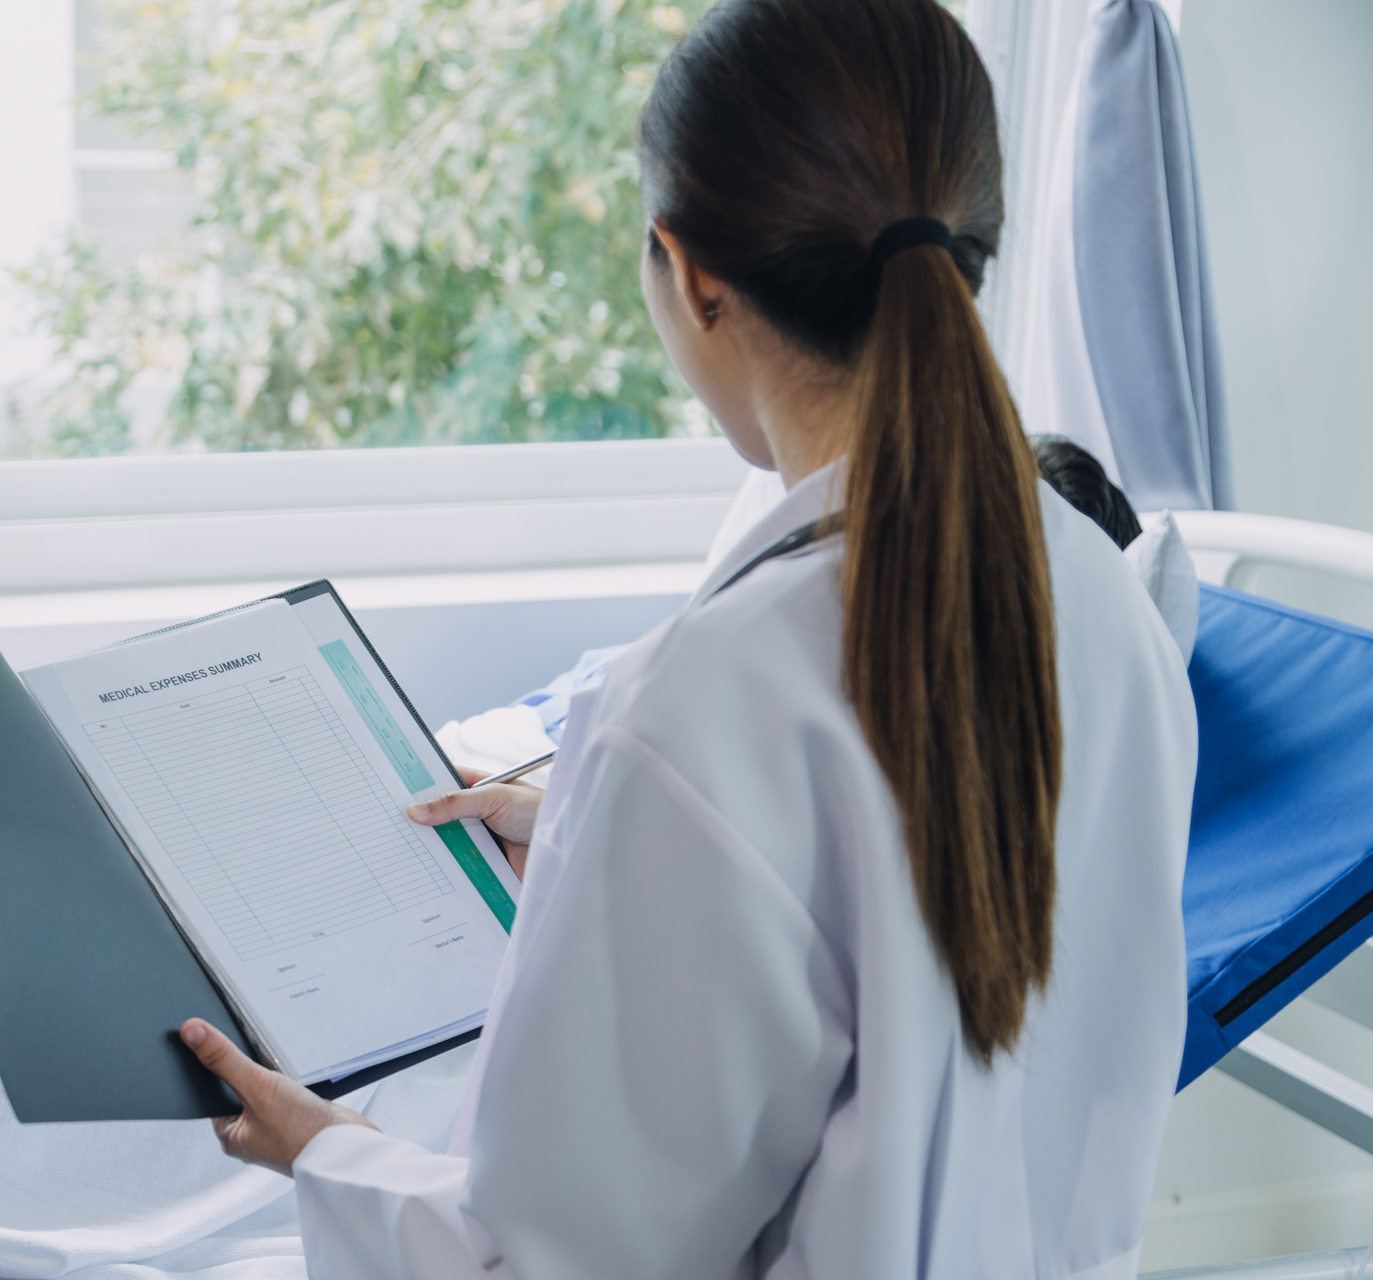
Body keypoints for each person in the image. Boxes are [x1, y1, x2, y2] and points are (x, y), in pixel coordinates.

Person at [176, 0, 1198, 1275]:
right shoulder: (1108, 610)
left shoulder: (697, 707)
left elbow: (557, 1260)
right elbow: (919, 930)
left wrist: (323, 1149)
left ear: (693, 271)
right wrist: (606, 832)